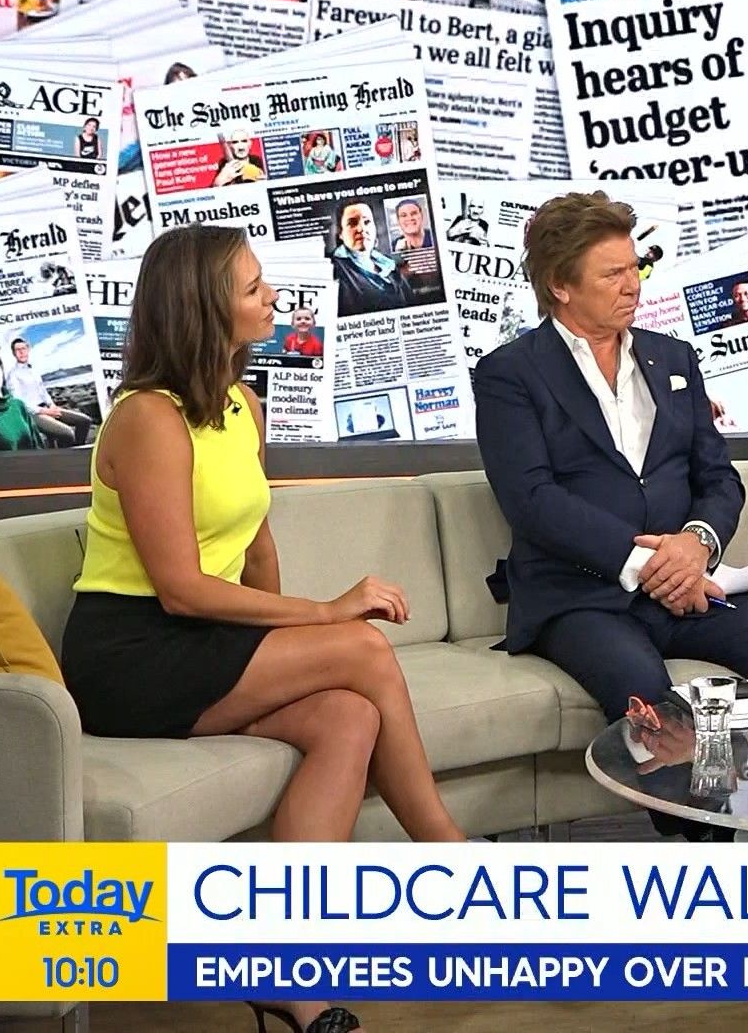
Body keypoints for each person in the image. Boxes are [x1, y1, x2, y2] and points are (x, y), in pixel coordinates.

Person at [59, 225, 466, 1032]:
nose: (274, 296)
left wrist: (291, 647)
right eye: (252, 289)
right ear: (203, 311)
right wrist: (324, 617)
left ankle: (289, 968)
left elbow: (256, 547)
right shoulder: (146, 419)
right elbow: (180, 589)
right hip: (131, 651)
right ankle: (450, 863)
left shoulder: (243, 405)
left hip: (200, 639)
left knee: (348, 715)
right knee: (362, 646)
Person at [472, 191, 748, 823]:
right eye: (612, 274)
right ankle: (703, 839)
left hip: (685, 585)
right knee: (647, 695)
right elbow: (532, 501)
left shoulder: (673, 359)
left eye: (634, 268)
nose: (632, 285)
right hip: (581, 597)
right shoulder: (511, 374)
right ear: (560, 285)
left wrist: (696, 544)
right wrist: (651, 567)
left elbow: (718, 479)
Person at [6, 337, 94, 447]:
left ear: (28, 349)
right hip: (33, 414)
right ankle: (66, 454)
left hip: (47, 407)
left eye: (23, 348)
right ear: (14, 353)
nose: (21, 352)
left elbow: (43, 391)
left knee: (85, 421)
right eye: (18, 350)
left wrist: (52, 405)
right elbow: (19, 402)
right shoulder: (13, 375)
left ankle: (77, 449)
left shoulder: (33, 370)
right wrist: (46, 411)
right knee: (67, 433)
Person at [331, 201, 415, 314]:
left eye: (367, 222)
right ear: (341, 233)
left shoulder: (389, 266)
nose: (361, 229)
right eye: (352, 223)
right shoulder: (332, 268)